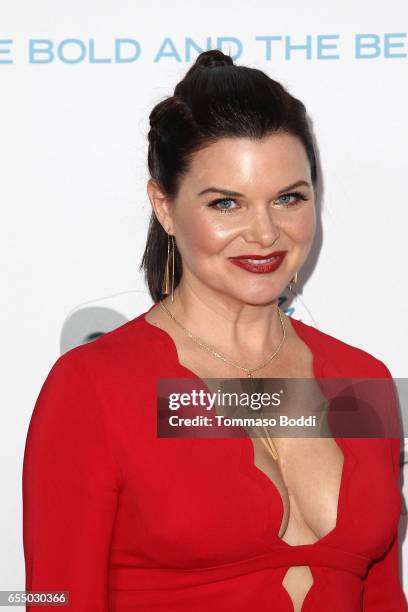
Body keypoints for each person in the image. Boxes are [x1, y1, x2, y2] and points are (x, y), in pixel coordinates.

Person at [22, 49, 406, 611]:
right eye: (226, 203)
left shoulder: (358, 381)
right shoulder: (96, 388)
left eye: (288, 198)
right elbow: (54, 599)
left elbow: (383, 597)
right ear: (166, 207)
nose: (265, 232)